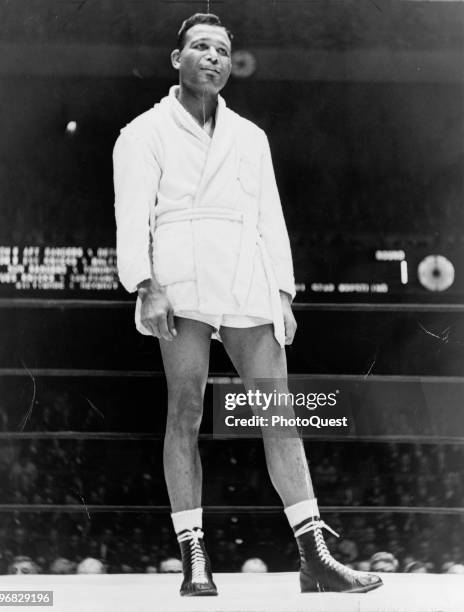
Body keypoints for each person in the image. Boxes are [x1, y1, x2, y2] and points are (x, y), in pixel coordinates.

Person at [113, 12, 383, 597]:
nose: (213, 57)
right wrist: (145, 283)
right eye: (200, 47)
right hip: (180, 279)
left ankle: (315, 559)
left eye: (222, 50)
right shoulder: (142, 132)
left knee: (278, 414)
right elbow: (131, 218)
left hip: (244, 277)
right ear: (176, 59)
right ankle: (194, 559)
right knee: (184, 414)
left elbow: (271, 220)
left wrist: (282, 292)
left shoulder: (251, 136)